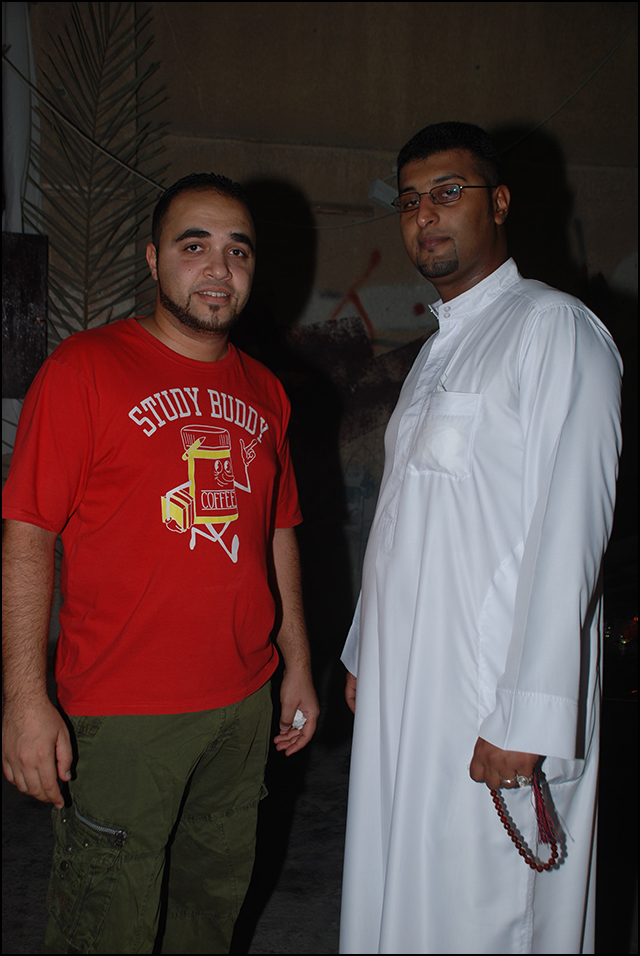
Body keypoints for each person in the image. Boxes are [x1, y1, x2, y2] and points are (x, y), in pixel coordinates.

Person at [2, 172, 319, 955]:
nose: (219, 268)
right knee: (103, 928)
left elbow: (278, 532)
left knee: (208, 917)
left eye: (238, 250)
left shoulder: (267, 391)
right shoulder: (84, 368)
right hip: (122, 714)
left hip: (242, 707)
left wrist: (297, 667)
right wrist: (24, 700)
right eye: (194, 245)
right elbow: (29, 533)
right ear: (153, 259)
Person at [339, 123, 622, 954]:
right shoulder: (439, 350)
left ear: (499, 203)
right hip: (411, 689)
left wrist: (529, 715)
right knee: (405, 890)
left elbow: (574, 527)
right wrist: (363, 649)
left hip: (490, 700)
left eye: (447, 193)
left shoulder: (554, 328)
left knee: (487, 913)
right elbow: (404, 518)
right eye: (410, 201)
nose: (425, 215)